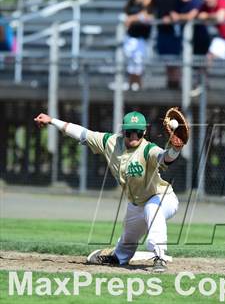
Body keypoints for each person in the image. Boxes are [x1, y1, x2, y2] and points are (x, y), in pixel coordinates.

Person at [34, 110, 185, 272]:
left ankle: (160, 257)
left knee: (152, 209)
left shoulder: (148, 149)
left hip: (162, 197)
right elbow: (82, 133)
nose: (134, 135)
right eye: (130, 132)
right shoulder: (109, 142)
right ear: (123, 131)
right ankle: (119, 256)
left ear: (145, 132)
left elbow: (165, 157)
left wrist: (175, 149)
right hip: (137, 203)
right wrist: (52, 120)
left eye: (138, 132)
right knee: (128, 239)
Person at [124, 0, 154, 91]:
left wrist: (133, 18)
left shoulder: (148, 1)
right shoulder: (132, 1)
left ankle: (138, 86)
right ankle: (131, 86)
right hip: (131, 36)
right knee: (131, 64)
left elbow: (148, 15)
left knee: (138, 63)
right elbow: (127, 14)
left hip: (141, 37)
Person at [153, 0, 182, 89]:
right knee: (167, 60)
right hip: (162, 30)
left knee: (174, 60)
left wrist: (173, 17)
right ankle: (170, 84)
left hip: (173, 31)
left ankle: (176, 84)